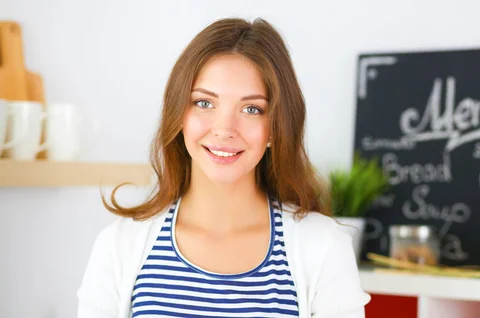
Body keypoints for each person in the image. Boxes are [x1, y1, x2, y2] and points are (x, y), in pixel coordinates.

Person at [77, 17, 370, 318]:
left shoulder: (324, 248)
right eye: (204, 103)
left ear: (275, 128)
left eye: (251, 109)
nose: (224, 129)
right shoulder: (119, 246)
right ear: (179, 114)